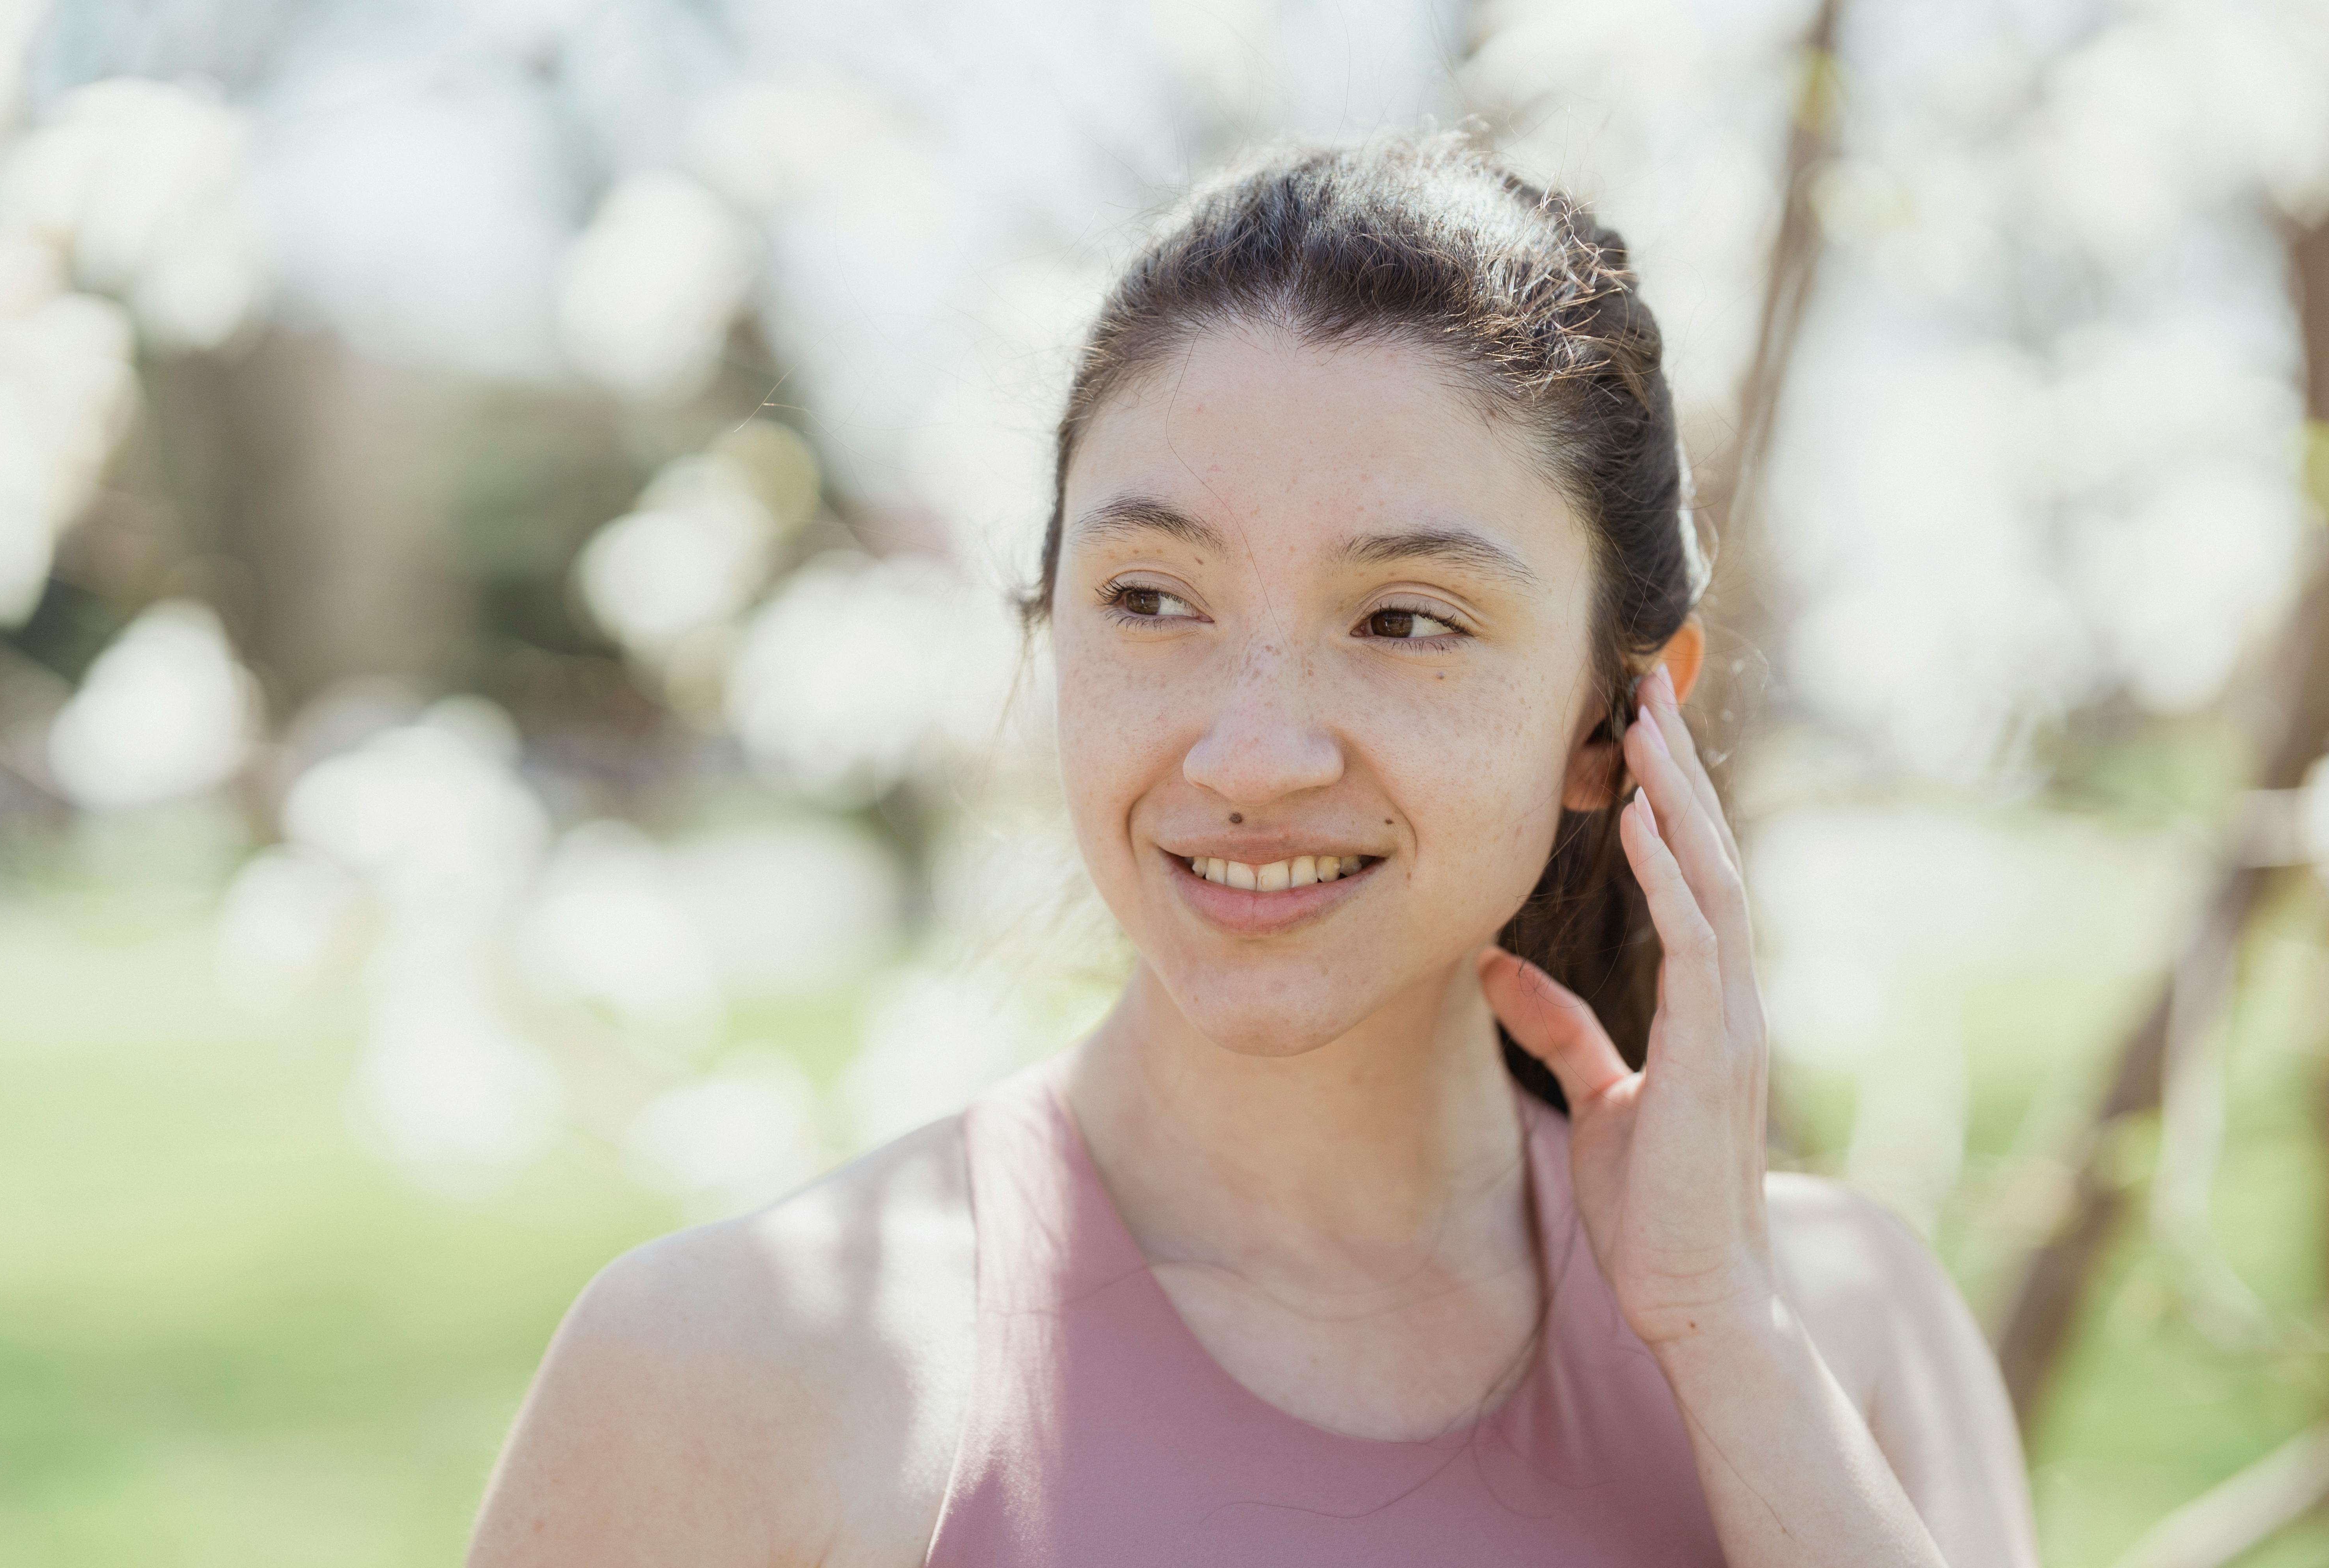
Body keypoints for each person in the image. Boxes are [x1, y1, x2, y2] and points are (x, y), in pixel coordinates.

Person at [466, 134, 2040, 1566]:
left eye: (1407, 621)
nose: (1252, 755)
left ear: (1614, 721)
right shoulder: (734, 1372)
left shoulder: (1843, 1330)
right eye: (1153, 600)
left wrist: (1717, 1333)